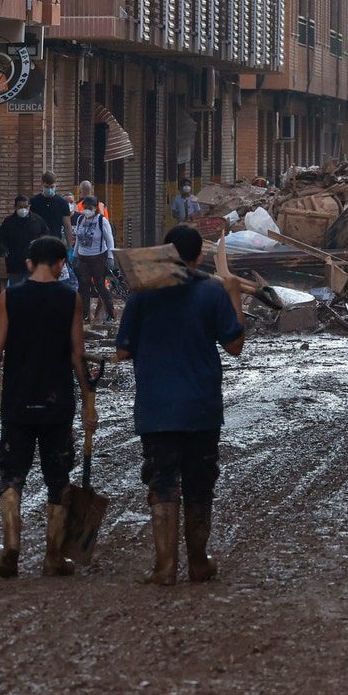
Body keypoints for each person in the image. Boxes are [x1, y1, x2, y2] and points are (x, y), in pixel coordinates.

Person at [114, 224, 244, 586]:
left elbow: (122, 350)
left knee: (163, 482)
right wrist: (234, 294)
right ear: (198, 256)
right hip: (201, 407)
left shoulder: (142, 295)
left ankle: (164, 565)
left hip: (157, 408)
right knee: (200, 485)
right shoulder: (212, 293)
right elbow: (235, 345)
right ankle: (199, 563)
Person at [0, 236, 96, 580]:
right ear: (60, 264)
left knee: (12, 475)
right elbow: (77, 355)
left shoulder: (11, 297)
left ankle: (11, 544)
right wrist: (88, 401)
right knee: (57, 479)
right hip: (57, 402)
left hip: (18, 400)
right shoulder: (71, 299)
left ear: (28, 263)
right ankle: (53, 557)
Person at [73, 196, 117, 323]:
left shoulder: (101, 221)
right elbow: (78, 241)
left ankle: (111, 313)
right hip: (83, 258)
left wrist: (110, 257)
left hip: (98, 257)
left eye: (90, 208)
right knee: (83, 286)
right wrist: (75, 256)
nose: (87, 211)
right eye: (85, 208)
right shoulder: (80, 219)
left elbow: (110, 240)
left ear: (95, 209)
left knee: (100, 285)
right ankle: (84, 315)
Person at [0, 195, 46, 288]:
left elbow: (46, 235)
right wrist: (2, 250)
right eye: (20, 207)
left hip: (33, 260)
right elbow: (0, 238)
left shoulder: (37, 220)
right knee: (15, 289)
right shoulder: (9, 222)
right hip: (14, 262)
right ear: (15, 207)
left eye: (26, 207)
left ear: (29, 206)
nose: (23, 209)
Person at [29, 172, 74, 247]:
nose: (49, 189)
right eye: (46, 187)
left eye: (52, 187)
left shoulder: (62, 203)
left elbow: (67, 226)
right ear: (42, 184)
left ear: (55, 184)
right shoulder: (34, 201)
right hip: (38, 242)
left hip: (55, 241)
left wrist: (70, 247)